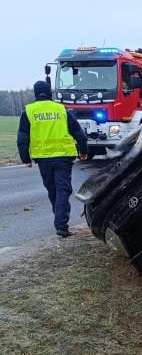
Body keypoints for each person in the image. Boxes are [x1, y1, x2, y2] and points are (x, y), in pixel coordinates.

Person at [17, 80, 88, 237]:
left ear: (36, 93)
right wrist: (83, 151)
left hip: (43, 159)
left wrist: (25, 159)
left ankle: (60, 221)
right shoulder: (62, 109)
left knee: (53, 189)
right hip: (63, 157)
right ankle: (61, 222)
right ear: (50, 93)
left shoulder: (28, 111)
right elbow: (78, 133)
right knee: (63, 189)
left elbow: (22, 137)